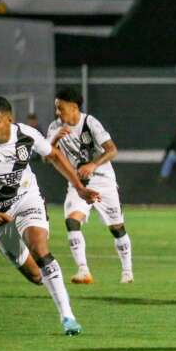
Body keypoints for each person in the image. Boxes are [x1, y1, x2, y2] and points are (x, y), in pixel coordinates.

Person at [0, 96, 100, 335]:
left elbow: (53, 155)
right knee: (34, 274)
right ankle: (50, 284)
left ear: (9, 120)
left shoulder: (27, 134)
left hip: (27, 200)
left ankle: (68, 317)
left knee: (41, 249)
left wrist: (80, 188)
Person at [47, 87, 134, 285]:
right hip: (78, 183)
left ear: (74, 107)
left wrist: (93, 164)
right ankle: (83, 270)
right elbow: (48, 157)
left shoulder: (90, 122)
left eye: (60, 108)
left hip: (103, 179)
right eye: (56, 109)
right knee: (72, 221)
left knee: (116, 227)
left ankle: (127, 272)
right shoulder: (55, 128)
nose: (57, 113)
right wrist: (54, 140)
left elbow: (112, 150)